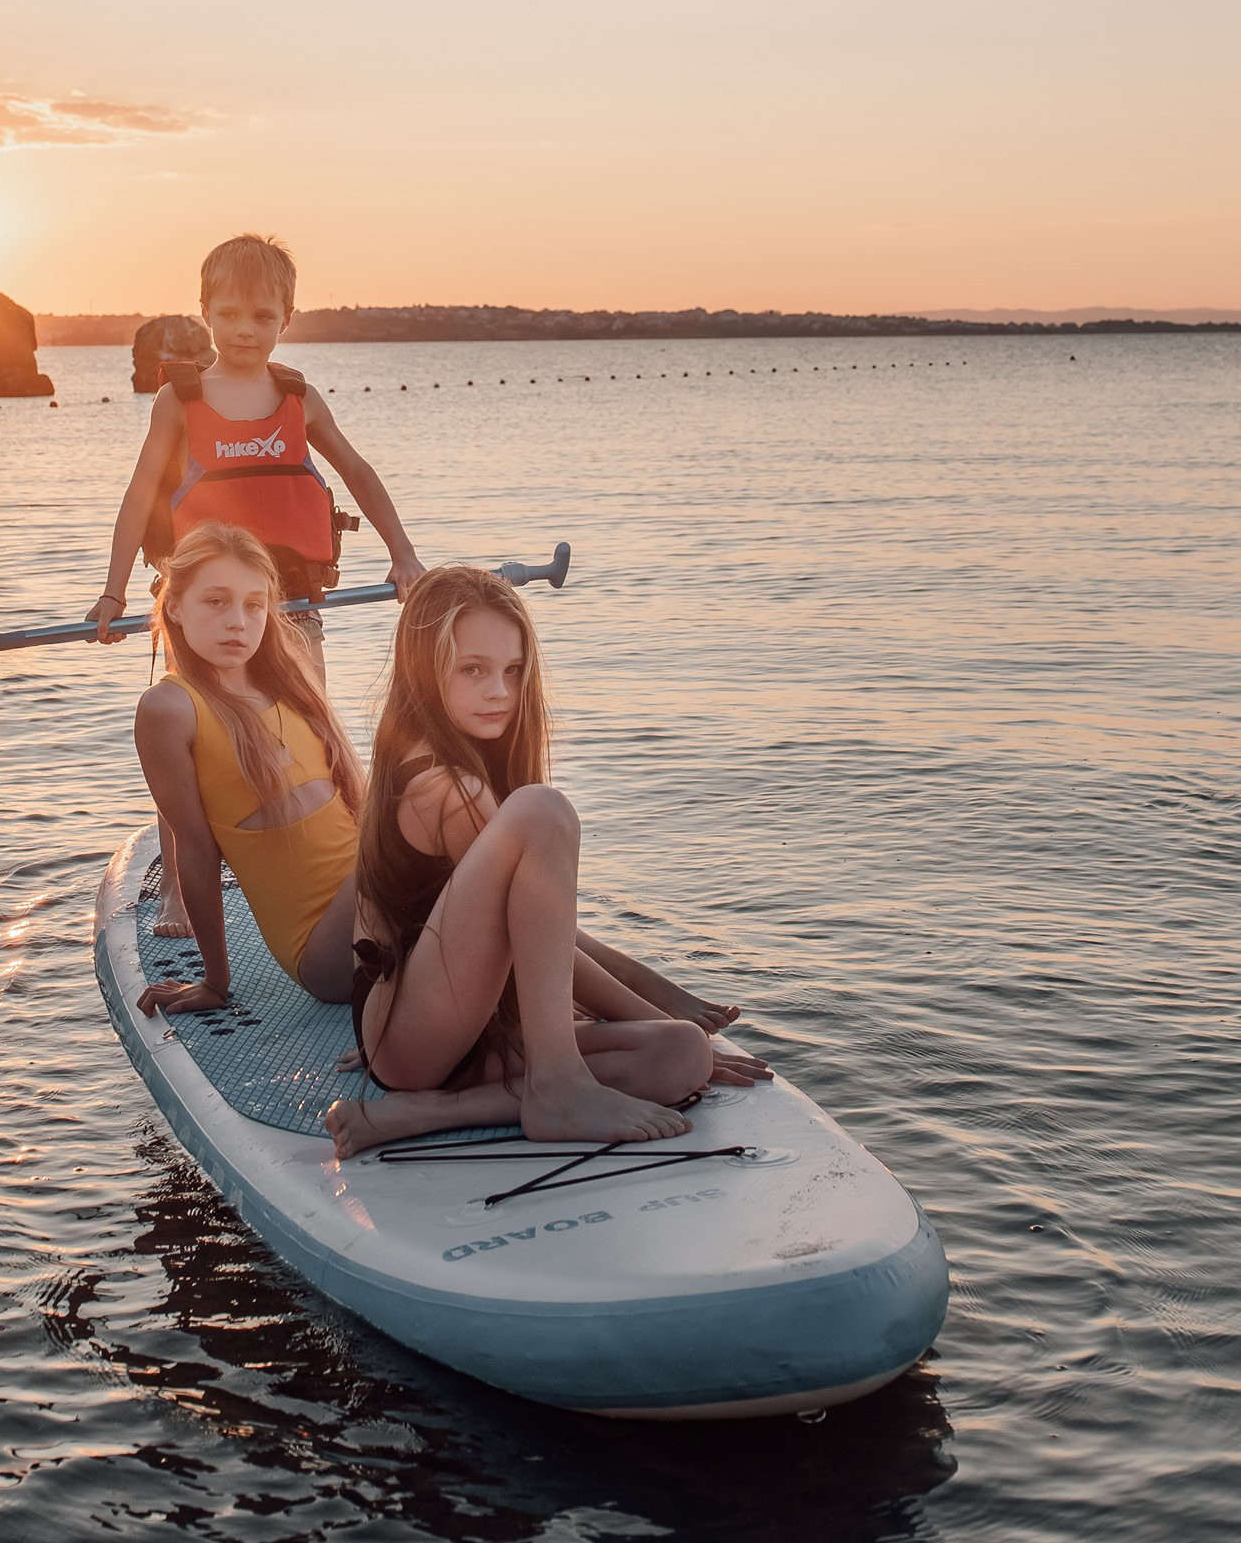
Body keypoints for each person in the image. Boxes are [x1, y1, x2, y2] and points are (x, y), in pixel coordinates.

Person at [326, 567, 771, 1159]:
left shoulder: (445, 760)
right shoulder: (445, 788)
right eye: (473, 670)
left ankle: (432, 1113)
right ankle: (556, 1086)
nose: (500, 693)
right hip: (416, 1038)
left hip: (441, 1032)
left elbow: (536, 926)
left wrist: (684, 1033)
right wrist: (643, 996)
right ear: (422, 671)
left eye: (513, 671)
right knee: (543, 810)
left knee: (679, 1055)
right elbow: (540, 946)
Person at [90, 231, 426, 936]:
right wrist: (116, 591)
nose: (246, 330)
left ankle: (343, 881)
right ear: (206, 309)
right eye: (232, 313)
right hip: (202, 615)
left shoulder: (298, 398)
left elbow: (359, 474)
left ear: (288, 318)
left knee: (313, 739)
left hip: (293, 608)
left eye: (263, 316)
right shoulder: (180, 401)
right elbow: (139, 491)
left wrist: (404, 555)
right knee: (192, 749)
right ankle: (182, 897)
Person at [131, 523, 365, 1012]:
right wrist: (214, 982)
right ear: (174, 606)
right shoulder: (171, 708)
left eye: (253, 605)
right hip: (328, 949)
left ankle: (568, 1025)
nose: (237, 621)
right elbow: (195, 851)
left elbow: (358, 808)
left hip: (377, 899)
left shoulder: (291, 686)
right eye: (216, 602)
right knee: (442, 797)